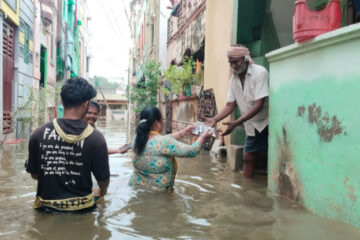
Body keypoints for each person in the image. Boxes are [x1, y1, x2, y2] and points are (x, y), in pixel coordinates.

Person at [25, 78, 110, 212]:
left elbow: (35, 175)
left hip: (46, 209)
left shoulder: (38, 134)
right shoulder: (96, 138)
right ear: (86, 104)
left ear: (62, 101)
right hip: (82, 211)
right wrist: (103, 190)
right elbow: (103, 179)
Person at [204, 44, 269, 178]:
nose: (233, 65)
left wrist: (236, 123)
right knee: (248, 157)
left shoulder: (260, 72)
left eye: (236, 61)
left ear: (245, 58)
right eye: (230, 62)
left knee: (272, 152)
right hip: (251, 123)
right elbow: (230, 105)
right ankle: (247, 187)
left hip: (268, 120)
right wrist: (215, 119)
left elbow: (259, 104)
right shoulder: (233, 80)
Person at [129, 106, 213, 191]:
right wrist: (203, 137)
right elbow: (192, 151)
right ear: (157, 123)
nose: (163, 122)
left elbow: (163, 141)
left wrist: (184, 132)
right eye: (162, 120)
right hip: (158, 196)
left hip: (136, 188)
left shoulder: (136, 138)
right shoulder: (163, 142)